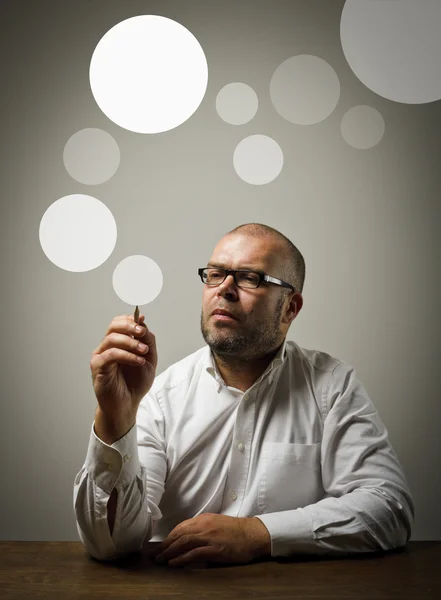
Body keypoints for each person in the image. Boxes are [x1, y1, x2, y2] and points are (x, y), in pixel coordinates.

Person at [73, 223, 414, 567]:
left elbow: (389, 509)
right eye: (216, 274)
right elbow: (112, 544)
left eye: (250, 278)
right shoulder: (160, 396)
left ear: (290, 309)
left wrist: (258, 534)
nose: (225, 290)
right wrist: (115, 415)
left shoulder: (332, 387)